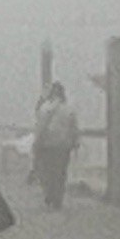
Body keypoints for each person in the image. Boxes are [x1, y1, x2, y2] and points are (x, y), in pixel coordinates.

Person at [33, 80, 79, 211]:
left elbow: (40, 128)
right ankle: (58, 198)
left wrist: (36, 142)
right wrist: (75, 142)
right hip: (63, 146)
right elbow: (74, 128)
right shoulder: (69, 109)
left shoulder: (45, 108)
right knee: (61, 172)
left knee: (47, 171)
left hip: (47, 145)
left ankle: (49, 194)